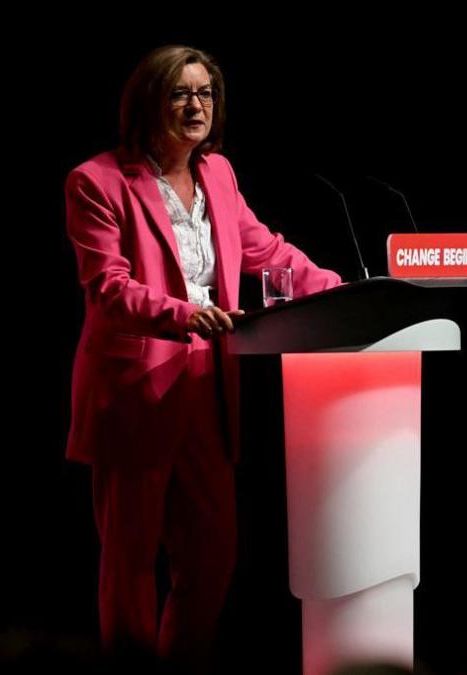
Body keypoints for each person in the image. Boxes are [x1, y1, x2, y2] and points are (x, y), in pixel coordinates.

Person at [63, 44, 343, 672]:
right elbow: (108, 287)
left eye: (206, 94)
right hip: (134, 390)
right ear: (149, 103)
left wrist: (347, 292)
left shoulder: (218, 174)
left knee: (213, 554)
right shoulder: (97, 181)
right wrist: (182, 313)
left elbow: (269, 254)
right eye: (182, 94)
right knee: (131, 564)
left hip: (205, 388)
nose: (197, 106)